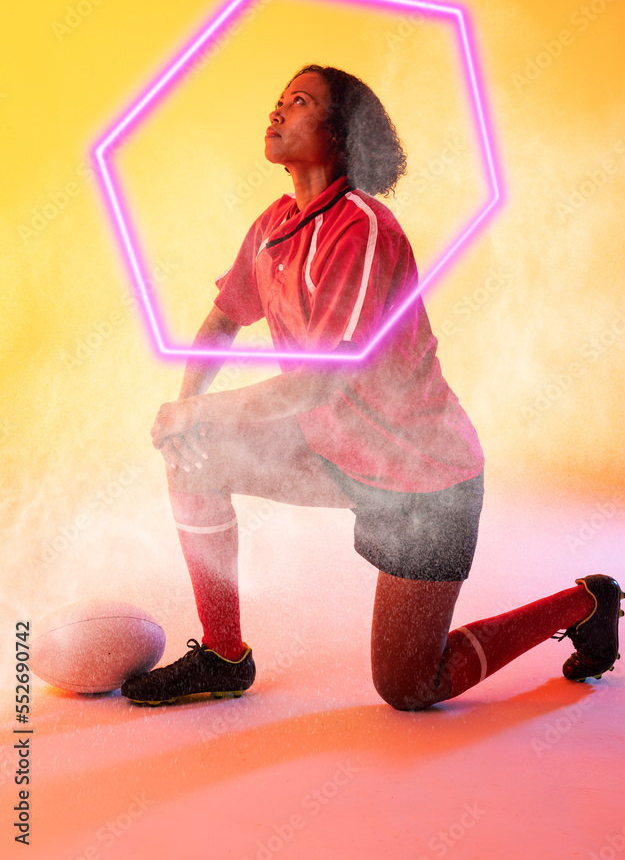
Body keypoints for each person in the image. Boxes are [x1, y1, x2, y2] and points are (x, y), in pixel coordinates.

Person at [121, 65, 623, 708]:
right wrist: (190, 408)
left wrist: (196, 412)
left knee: (411, 688)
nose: (276, 110)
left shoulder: (361, 229)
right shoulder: (275, 223)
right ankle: (223, 656)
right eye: (278, 98)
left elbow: (318, 385)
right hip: (335, 455)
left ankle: (587, 601)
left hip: (425, 484)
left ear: (341, 134)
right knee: (196, 457)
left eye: (298, 102)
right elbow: (224, 318)